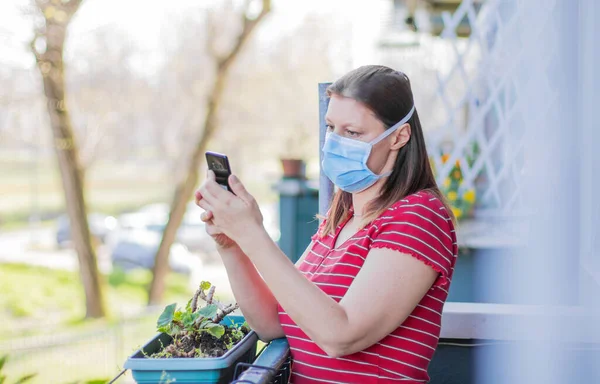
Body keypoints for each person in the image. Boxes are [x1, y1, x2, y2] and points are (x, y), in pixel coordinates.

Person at [195, 65, 458, 383]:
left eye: (353, 133)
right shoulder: (343, 216)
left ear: (399, 137)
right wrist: (232, 246)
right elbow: (273, 324)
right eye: (331, 127)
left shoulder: (419, 216)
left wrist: (252, 233)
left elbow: (340, 335)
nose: (335, 142)